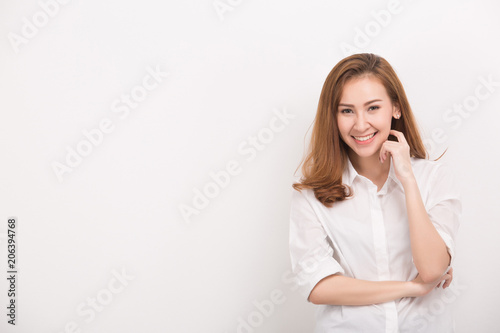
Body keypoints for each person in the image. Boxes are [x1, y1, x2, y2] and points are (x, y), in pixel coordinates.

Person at [289, 53, 462, 332]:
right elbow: (319, 286)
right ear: (333, 117)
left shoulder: (433, 178)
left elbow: (432, 269)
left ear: (395, 108)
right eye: (346, 110)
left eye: (372, 108)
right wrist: (411, 287)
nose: (360, 124)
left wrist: (407, 180)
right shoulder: (312, 194)